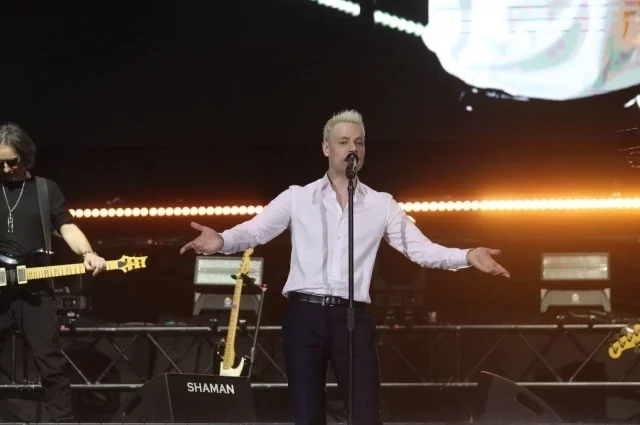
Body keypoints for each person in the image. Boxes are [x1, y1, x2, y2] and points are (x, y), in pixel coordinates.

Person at [180, 110, 510, 425]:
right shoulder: (297, 197)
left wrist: (467, 255)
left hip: (353, 318)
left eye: (359, 142)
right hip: (304, 316)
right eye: (343, 142)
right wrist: (221, 240)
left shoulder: (381, 204)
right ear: (326, 148)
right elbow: (256, 231)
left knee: (366, 415)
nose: (353, 148)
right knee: (307, 415)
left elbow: (421, 250)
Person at [0, 122, 107, 422]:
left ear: (26, 156)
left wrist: (88, 253)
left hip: (35, 290)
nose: (6, 169)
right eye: (0, 163)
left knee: (51, 364)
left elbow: (67, 226)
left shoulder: (45, 189)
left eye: (12, 162)